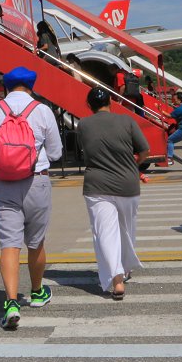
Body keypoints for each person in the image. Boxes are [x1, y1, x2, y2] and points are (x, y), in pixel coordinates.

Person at [0, 66, 63, 330]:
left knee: (9, 245)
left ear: (6, 87)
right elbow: (55, 153)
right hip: (37, 181)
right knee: (36, 242)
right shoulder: (42, 110)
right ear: (31, 86)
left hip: (3, 185)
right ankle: (36, 293)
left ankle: (11, 302)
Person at [77, 86, 149, 300]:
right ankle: (124, 269)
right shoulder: (127, 121)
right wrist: (133, 164)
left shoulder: (83, 124)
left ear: (89, 105)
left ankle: (117, 281)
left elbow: (85, 151)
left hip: (97, 185)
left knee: (105, 234)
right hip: (128, 184)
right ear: (111, 101)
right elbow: (144, 150)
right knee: (127, 231)